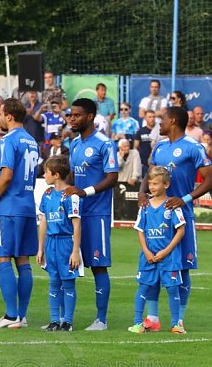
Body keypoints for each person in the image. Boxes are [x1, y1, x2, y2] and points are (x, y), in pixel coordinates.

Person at [141, 106, 212, 332]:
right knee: (152, 265)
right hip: (155, 217)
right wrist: (143, 192)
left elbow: (210, 178)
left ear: (172, 121)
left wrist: (185, 198)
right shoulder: (160, 146)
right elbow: (149, 174)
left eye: (162, 119)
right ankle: (152, 318)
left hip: (182, 217)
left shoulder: (193, 147)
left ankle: (178, 320)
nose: (159, 123)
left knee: (182, 268)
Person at [63, 98, 119, 331]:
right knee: (64, 264)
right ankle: (63, 318)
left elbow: (112, 177)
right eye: (70, 115)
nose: (71, 119)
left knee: (98, 265)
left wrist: (84, 192)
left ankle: (101, 319)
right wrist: (59, 190)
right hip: (76, 213)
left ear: (90, 117)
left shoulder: (105, 144)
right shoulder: (74, 145)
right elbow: (72, 177)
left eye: (76, 115)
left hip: (97, 213)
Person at [0, 97, 39, 329]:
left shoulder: (8, 140)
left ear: (8, 115)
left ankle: (10, 315)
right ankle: (21, 316)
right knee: (23, 260)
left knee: (1, 257)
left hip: (9, 207)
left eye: (0, 114)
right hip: (27, 205)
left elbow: (6, 175)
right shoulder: (32, 140)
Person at [130, 166, 185, 334]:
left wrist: (166, 251)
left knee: (172, 288)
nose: (152, 187)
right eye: (150, 183)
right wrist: (146, 251)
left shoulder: (172, 206)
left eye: (156, 184)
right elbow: (140, 230)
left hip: (169, 257)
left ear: (166, 185)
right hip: (148, 257)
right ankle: (138, 323)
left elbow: (181, 231)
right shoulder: (145, 206)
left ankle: (176, 324)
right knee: (143, 288)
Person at [36, 155, 82, 332]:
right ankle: (54, 320)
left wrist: (75, 251)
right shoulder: (47, 195)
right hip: (51, 244)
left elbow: (77, 225)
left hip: (66, 243)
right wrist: (40, 248)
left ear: (56, 175)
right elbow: (43, 222)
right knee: (54, 281)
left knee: (68, 282)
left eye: (46, 172)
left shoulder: (71, 195)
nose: (43, 175)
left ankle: (67, 322)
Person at [135, 109, 159, 176]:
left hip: (157, 163)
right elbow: (135, 146)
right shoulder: (141, 131)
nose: (152, 119)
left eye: (153, 117)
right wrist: (139, 161)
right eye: (150, 117)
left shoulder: (160, 131)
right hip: (144, 163)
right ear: (145, 118)